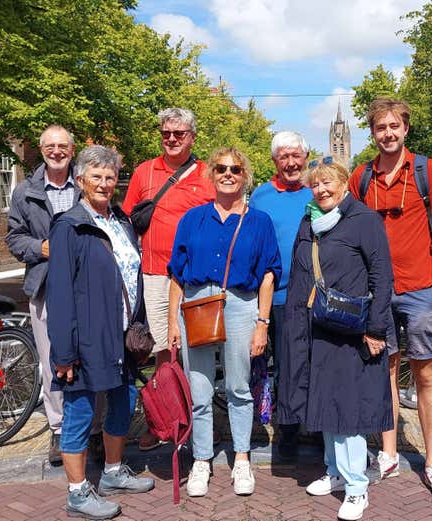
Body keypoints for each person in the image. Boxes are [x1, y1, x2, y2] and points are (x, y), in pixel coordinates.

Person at [349, 97, 432, 504]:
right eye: (380, 127)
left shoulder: (428, 172)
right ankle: (390, 454)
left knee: (425, 374)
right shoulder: (361, 177)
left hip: (419, 290)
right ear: (372, 132)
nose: (388, 133)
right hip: (376, 293)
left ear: (405, 129)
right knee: (384, 372)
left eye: (394, 126)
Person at [278, 157, 393, 521]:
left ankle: (357, 487)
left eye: (329, 182)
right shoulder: (311, 221)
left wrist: (376, 329)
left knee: (349, 410)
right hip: (316, 330)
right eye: (317, 183)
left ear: (345, 183)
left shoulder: (364, 221)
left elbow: (382, 277)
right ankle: (334, 472)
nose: (322, 189)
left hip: (350, 330)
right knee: (324, 402)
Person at [47, 145, 154, 520]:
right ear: (80, 181)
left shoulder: (121, 221)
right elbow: (59, 293)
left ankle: (111, 472)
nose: (104, 183)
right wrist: (64, 353)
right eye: (96, 177)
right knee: (79, 411)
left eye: (110, 177)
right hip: (87, 337)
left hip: (121, 335)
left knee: (124, 403)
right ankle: (77, 492)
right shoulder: (69, 226)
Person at [167, 147, 280, 498]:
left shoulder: (258, 221)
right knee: (199, 389)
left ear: (244, 175)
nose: (228, 174)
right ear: (211, 175)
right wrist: (173, 321)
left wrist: (262, 322)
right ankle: (201, 459)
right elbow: (176, 274)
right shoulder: (192, 218)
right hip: (198, 304)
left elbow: (268, 274)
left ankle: (242, 458)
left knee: (238, 387)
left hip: (240, 305)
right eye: (221, 168)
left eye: (235, 169)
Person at [5, 124, 103, 465]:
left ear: (72, 149)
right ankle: (60, 428)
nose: (57, 151)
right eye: (50, 146)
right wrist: (40, 247)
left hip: (86, 287)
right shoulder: (25, 192)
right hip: (45, 285)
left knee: (92, 356)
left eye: (63, 146)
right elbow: (14, 238)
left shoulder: (85, 185)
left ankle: (94, 430)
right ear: (42, 149)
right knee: (52, 361)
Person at [122, 107, 215, 451]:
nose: (172, 139)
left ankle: (197, 424)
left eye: (179, 133)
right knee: (163, 351)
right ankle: (164, 421)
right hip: (156, 275)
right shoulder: (145, 172)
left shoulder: (208, 174)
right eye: (166, 134)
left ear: (192, 136)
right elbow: (128, 221)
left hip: (197, 279)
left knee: (198, 351)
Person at [248, 131, 313, 461]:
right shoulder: (260, 196)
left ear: (305, 157)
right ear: (274, 161)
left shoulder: (317, 193)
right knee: (264, 363)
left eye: (296, 156)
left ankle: (298, 427)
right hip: (264, 292)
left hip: (303, 295)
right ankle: (268, 427)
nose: (291, 162)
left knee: (296, 363)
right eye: (284, 157)